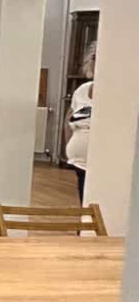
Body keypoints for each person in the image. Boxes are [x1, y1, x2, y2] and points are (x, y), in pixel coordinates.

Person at [65, 50, 95, 202]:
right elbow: (70, 119)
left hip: (100, 164)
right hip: (79, 162)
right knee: (84, 202)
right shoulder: (82, 90)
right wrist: (68, 145)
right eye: (94, 58)